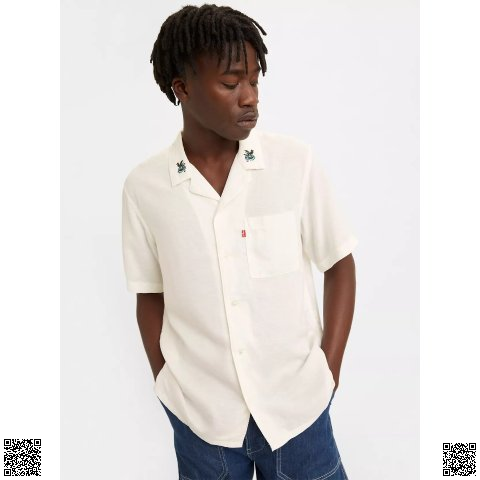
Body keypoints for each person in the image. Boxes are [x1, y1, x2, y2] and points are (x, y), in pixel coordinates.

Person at [122, 4, 357, 479]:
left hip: (297, 414)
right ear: (182, 88)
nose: (249, 97)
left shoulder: (293, 164)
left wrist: (327, 371)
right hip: (202, 421)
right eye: (231, 84)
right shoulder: (145, 188)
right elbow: (149, 294)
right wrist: (167, 382)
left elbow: (339, 263)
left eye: (253, 80)